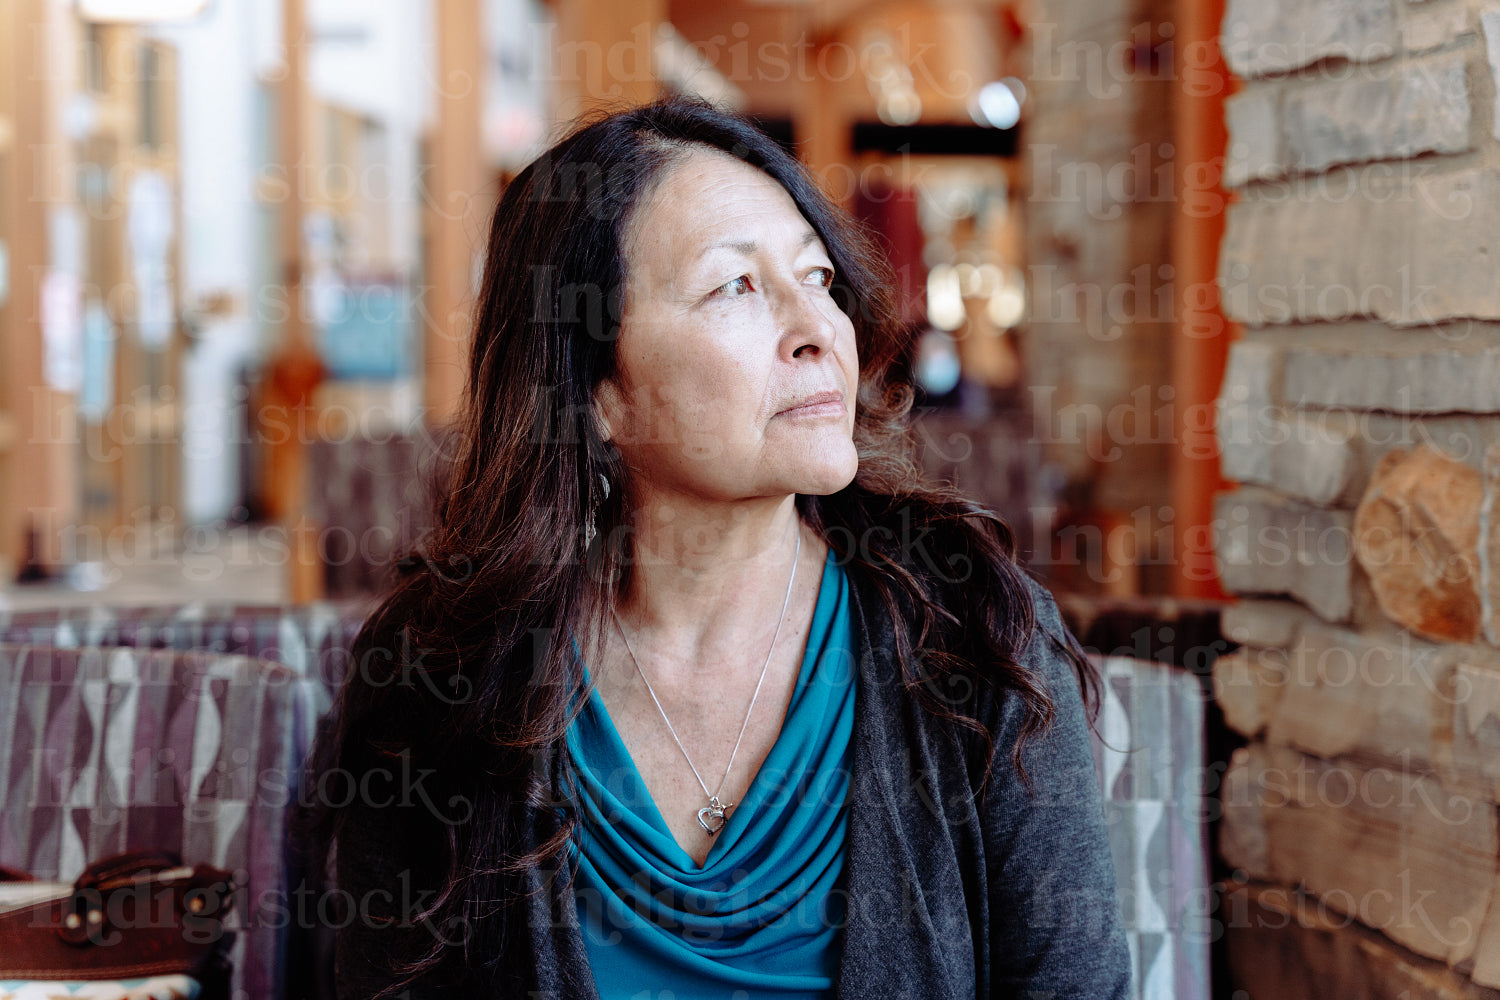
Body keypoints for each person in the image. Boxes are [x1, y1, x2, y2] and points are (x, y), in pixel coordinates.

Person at [299, 96, 1132, 999]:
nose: (820, 331)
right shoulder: (437, 671)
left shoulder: (978, 637)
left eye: (817, 279)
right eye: (735, 286)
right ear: (594, 392)